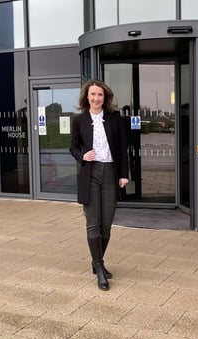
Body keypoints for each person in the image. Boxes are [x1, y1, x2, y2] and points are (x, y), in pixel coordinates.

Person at [70, 80, 129, 291]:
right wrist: (82, 156)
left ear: (105, 97)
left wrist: (124, 174)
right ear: (87, 97)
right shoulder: (79, 120)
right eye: (93, 94)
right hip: (91, 173)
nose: (96, 98)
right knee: (93, 224)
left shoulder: (114, 118)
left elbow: (122, 148)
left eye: (100, 95)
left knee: (106, 226)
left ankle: (97, 262)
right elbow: (73, 147)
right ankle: (100, 268)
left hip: (111, 173)